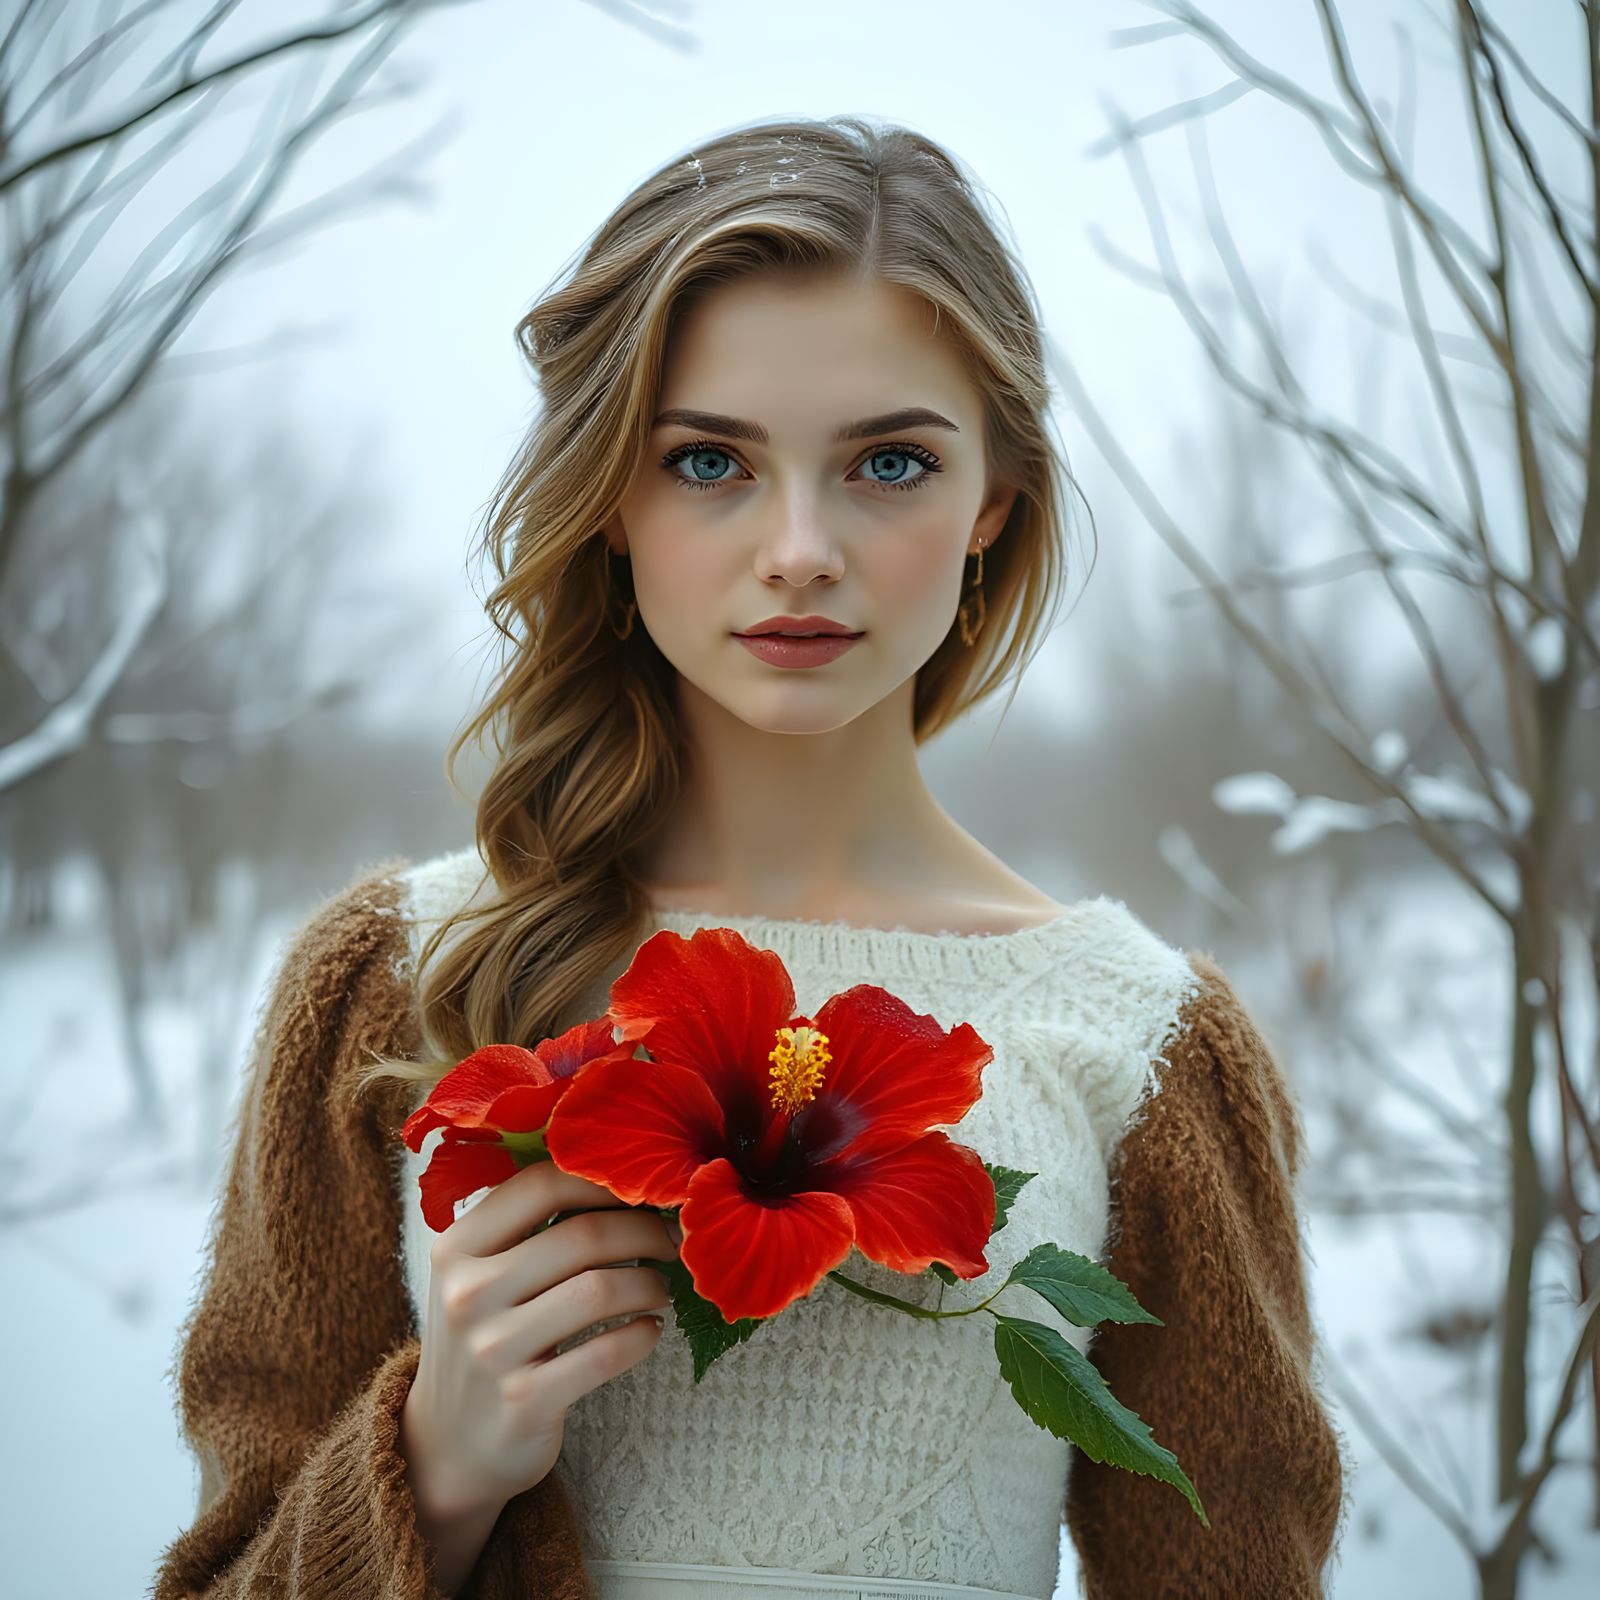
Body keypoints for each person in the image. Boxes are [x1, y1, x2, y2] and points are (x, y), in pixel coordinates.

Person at [150, 115, 1350, 1600]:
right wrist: (438, 1461)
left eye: (888, 464)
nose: (798, 548)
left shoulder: (1143, 1045)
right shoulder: (401, 984)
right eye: (710, 460)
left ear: (996, 502)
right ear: (612, 499)